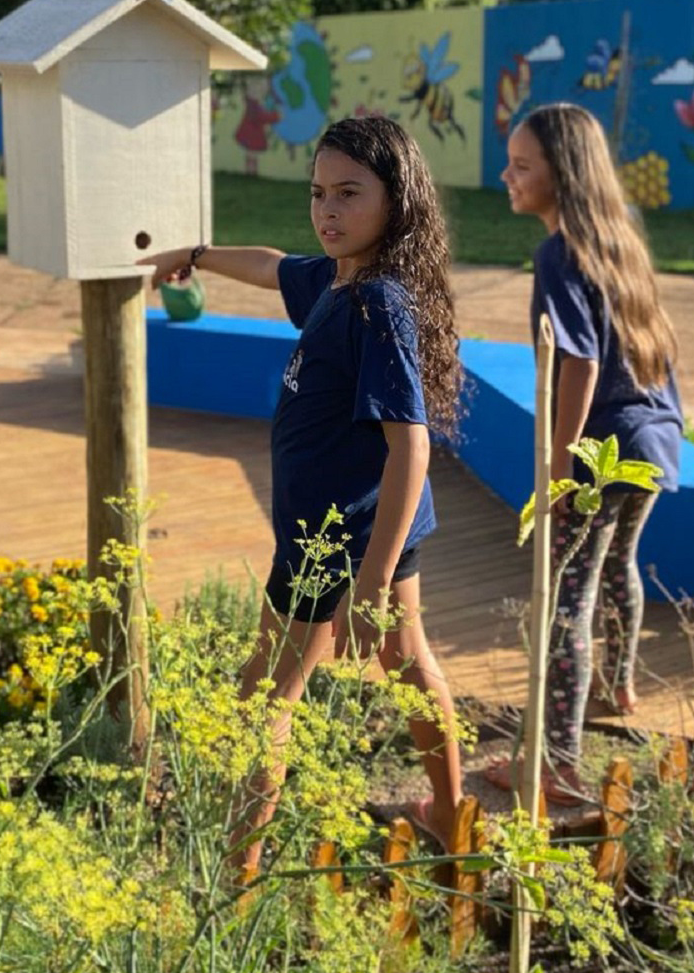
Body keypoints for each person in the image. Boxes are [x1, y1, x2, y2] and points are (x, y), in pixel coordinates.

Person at [139, 115, 466, 868]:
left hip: (334, 539)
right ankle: (453, 815)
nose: (328, 211)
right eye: (318, 193)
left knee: (266, 699)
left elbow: (410, 442)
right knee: (408, 665)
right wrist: (197, 256)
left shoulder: (375, 304)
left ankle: (237, 870)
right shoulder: (337, 279)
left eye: (350, 194)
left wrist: (372, 581)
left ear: (399, 200)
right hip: (370, 523)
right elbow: (270, 265)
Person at [490, 102, 684, 806]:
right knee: (616, 567)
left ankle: (559, 763)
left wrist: (559, 468)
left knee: (564, 601)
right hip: (654, 441)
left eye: (521, 165)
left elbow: (578, 361)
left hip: (603, 452)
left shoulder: (559, 252)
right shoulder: (620, 240)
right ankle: (619, 684)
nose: (506, 175)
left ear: (561, 173)